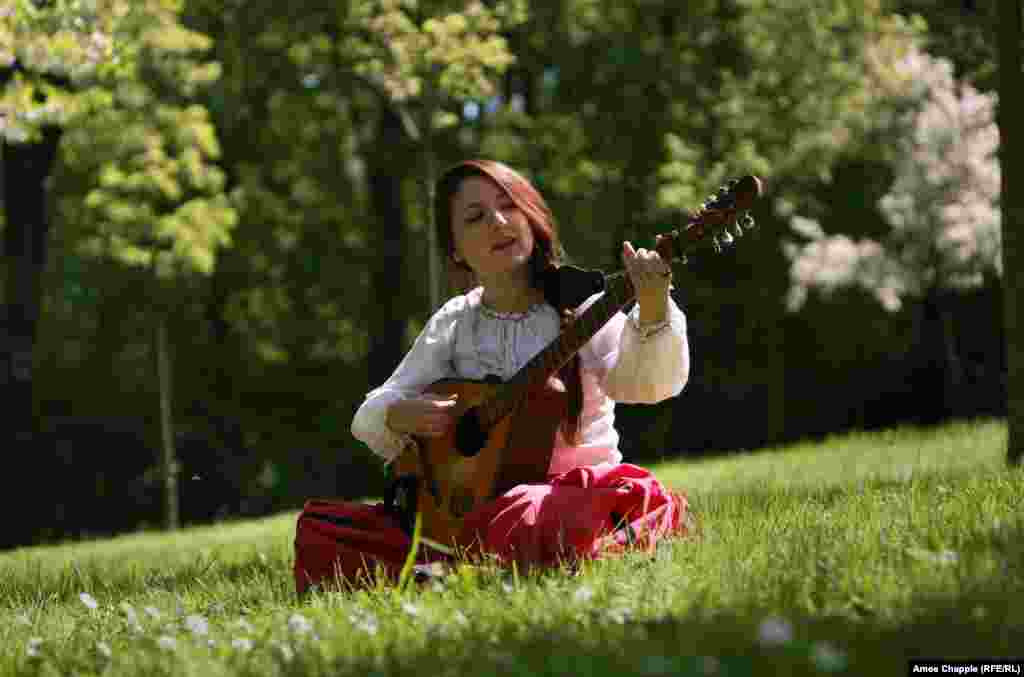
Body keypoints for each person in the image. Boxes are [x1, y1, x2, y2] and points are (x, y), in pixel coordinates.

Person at [294, 159, 693, 593]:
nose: (497, 222)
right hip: (467, 512)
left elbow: (643, 387)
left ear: (532, 216)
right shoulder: (454, 323)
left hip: (570, 499)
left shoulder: (582, 306)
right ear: (455, 250)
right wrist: (398, 413)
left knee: (523, 513)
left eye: (508, 206)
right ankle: (468, 567)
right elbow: (371, 413)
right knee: (320, 529)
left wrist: (652, 308)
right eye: (475, 217)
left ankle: (447, 573)